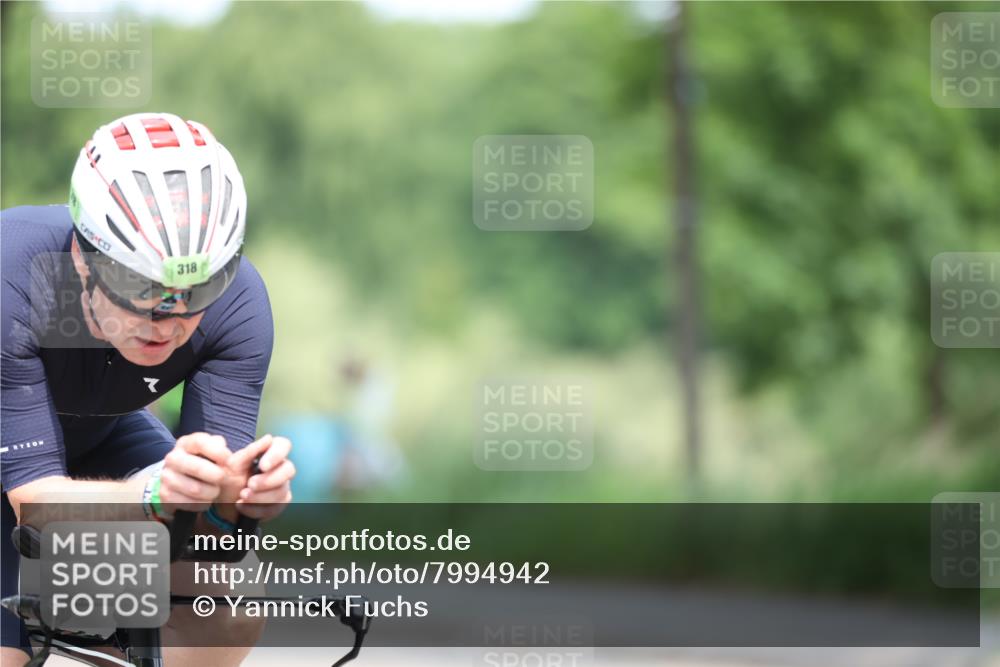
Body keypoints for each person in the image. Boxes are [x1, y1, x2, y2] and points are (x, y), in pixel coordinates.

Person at [0, 113, 295, 666]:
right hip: (26, 473)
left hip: (96, 437)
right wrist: (150, 497)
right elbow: (35, 505)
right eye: (140, 286)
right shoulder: (14, 279)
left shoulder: (238, 308)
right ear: (83, 259)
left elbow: (206, 535)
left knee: (226, 609)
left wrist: (234, 502)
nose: (169, 319)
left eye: (200, 286)